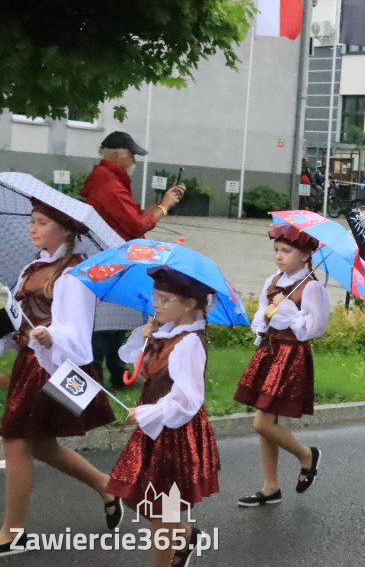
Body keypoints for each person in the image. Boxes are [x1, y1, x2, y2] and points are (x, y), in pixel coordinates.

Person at [0, 200, 120, 557]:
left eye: (42, 223)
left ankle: (13, 531)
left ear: (65, 229)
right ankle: (105, 485)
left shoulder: (75, 273)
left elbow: (79, 332)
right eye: (32, 222)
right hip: (30, 364)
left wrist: (53, 337)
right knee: (38, 443)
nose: (33, 229)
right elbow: (19, 319)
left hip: (60, 366)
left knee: (15, 440)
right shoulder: (33, 267)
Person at [106, 267, 220, 567]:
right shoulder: (163, 333)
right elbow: (127, 357)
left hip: (174, 430)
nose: (157, 304)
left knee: (161, 510)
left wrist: (148, 412)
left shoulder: (188, 344)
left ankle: (168, 552)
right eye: (155, 297)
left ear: (189, 304)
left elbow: (188, 399)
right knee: (142, 497)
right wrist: (142, 338)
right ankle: (183, 537)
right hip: (153, 425)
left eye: (166, 299)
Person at [80, 131, 186, 390]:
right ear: (117, 155)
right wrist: (163, 207)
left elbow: (131, 215)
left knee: (110, 319)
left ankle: (113, 373)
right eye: (132, 156)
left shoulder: (106, 179)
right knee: (106, 321)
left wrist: (161, 204)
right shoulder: (109, 183)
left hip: (109, 255)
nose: (134, 162)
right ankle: (100, 377)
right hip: (111, 257)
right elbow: (136, 223)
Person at [234, 226, 329, 508]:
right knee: (267, 423)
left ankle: (306, 455)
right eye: (276, 250)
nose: (279, 256)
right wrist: (266, 315)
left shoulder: (311, 287)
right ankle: (270, 486)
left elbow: (313, 329)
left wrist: (286, 310)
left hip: (290, 356)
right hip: (269, 351)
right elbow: (261, 318)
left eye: (286, 252)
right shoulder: (273, 280)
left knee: (262, 422)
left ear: (305, 256)